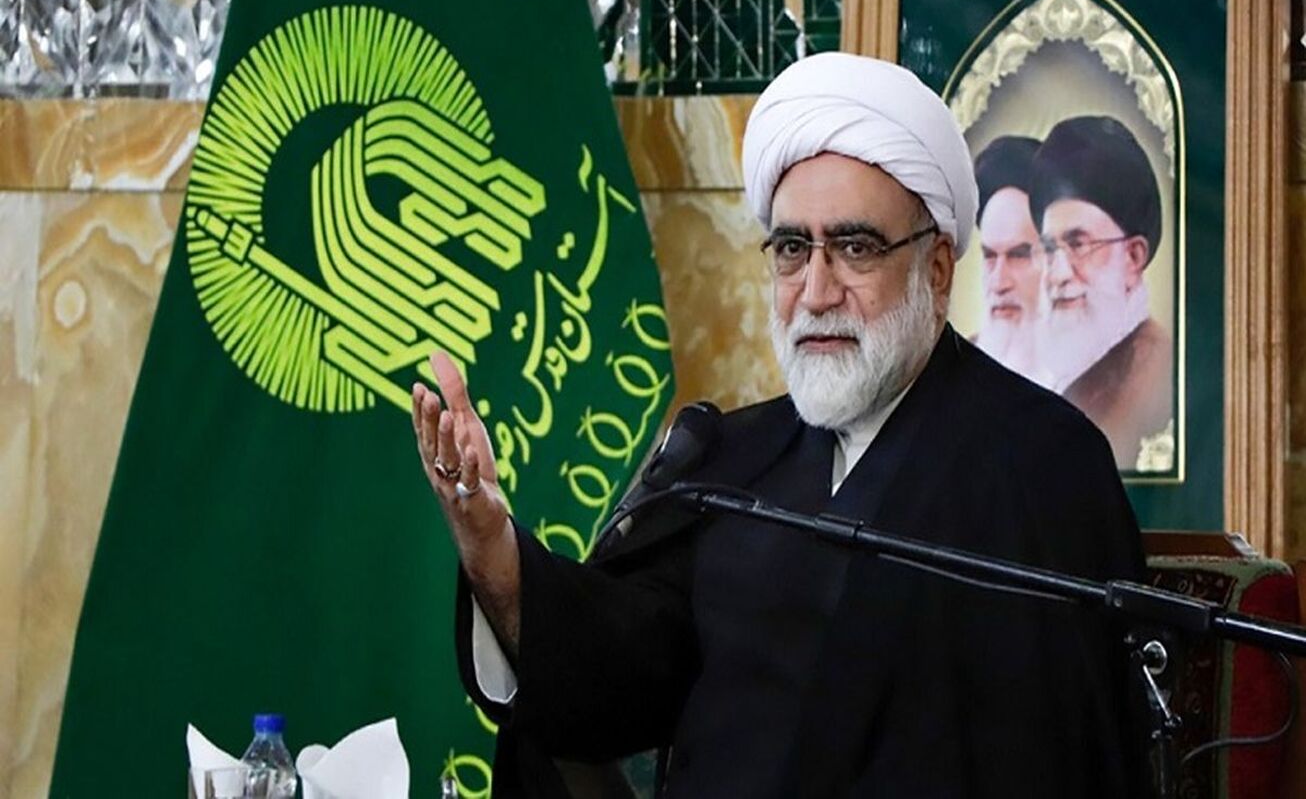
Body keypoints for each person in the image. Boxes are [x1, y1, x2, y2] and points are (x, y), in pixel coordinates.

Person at [412, 53, 1147, 798]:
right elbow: (617, 672)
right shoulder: (734, 459)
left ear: (935, 270)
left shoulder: (1043, 463)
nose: (816, 291)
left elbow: (1066, 753)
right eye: (793, 249)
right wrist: (492, 546)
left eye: (855, 248)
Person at [1029, 115, 1173, 469]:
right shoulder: (1075, 374)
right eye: (1050, 249)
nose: (1058, 274)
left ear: (1133, 257)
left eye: (1078, 244)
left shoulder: (1154, 379)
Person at [971, 135, 1050, 386]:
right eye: (990, 256)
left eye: (1018, 255)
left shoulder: (1103, 377)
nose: (999, 283)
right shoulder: (953, 369)